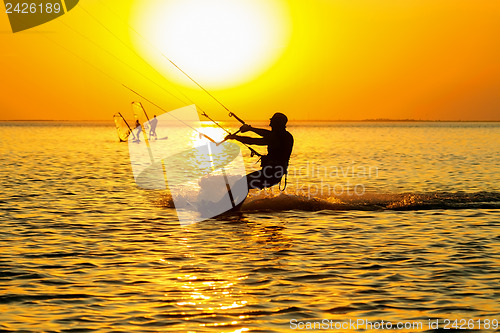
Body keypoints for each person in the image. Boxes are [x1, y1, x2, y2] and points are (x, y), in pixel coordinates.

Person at [226, 112, 294, 192]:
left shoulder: (282, 137)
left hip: (271, 175)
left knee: (241, 183)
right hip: (270, 174)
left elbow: (255, 141)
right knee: (242, 184)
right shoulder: (284, 135)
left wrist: (236, 137)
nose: (270, 125)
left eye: (272, 123)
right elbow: (266, 133)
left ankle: (226, 204)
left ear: (277, 124)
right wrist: (250, 129)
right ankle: (232, 204)